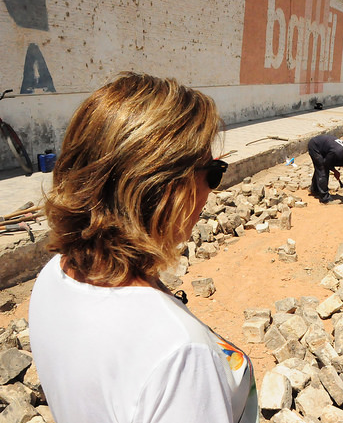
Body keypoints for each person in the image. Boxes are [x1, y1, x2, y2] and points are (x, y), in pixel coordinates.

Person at [29, 73, 259, 423]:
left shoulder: (52, 276)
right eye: (213, 172)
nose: (213, 190)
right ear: (165, 188)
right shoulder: (181, 353)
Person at [307, 134, 343, 203]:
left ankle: (315, 189)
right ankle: (325, 198)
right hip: (315, 146)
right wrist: (335, 171)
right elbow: (326, 163)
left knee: (320, 168)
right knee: (322, 169)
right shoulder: (337, 153)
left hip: (327, 148)